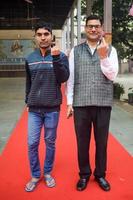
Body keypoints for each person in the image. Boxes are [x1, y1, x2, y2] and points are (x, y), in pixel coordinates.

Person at [66, 15, 119, 192]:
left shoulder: (111, 50)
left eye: (96, 26)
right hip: (81, 102)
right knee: (82, 141)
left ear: (101, 28)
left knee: (101, 142)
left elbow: (112, 76)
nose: (93, 29)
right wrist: (69, 102)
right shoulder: (76, 50)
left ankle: (100, 174)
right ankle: (84, 174)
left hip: (103, 102)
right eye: (90, 26)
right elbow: (71, 78)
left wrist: (103, 57)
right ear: (85, 28)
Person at [25, 21, 69, 192]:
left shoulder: (61, 56)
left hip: (52, 108)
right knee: (32, 143)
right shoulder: (30, 58)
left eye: (46, 34)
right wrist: (27, 101)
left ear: (51, 36)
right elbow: (28, 83)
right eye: (39, 34)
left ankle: (48, 172)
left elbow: (63, 78)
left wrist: (56, 58)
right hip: (34, 109)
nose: (43, 37)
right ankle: (36, 175)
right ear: (35, 37)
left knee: (50, 142)